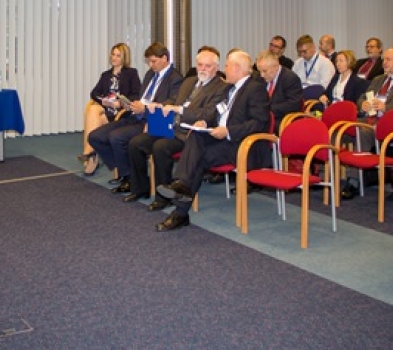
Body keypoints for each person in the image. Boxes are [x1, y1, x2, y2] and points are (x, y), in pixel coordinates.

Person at [155, 50, 270, 231]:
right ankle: (181, 188)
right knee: (196, 135)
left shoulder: (255, 89)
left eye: (227, 66)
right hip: (221, 140)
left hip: (240, 144)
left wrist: (228, 131)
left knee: (197, 158)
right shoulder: (228, 88)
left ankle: (180, 207)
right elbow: (217, 113)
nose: (224, 69)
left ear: (237, 68)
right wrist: (205, 122)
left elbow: (259, 122)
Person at [124, 48, 227, 210]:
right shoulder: (189, 81)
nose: (203, 69)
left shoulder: (220, 87)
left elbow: (208, 114)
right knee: (136, 143)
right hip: (171, 126)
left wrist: (179, 110)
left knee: (160, 147)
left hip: (190, 133)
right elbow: (174, 101)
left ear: (216, 68)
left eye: (207, 66)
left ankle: (164, 197)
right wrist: (159, 105)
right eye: (200, 65)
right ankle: (140, 188)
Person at [88, 42, 183, 192]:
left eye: (153, 61)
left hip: (150, 120)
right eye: (149, 62)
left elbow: (171, 103)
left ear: (164, 58)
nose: (150, 65)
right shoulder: (150, 74)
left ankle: (129, 178)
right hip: (134, 115)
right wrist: (130, 103)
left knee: (116, 137)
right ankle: (125, 170)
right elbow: (140, 96)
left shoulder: (175, 78)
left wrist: (144, 108)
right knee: (95, 137)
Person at [78, 43, 141, 175]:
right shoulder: (106, 75)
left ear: (124, 57)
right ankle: (90, 152)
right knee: (93, 110)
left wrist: (120, 103)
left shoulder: (131, 73)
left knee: (93, 113)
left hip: (121, 113)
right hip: (107, 111)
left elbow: (136, 95)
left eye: (118, 55)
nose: (114, 58)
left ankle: (90, 154)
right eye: (113, 54)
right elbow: (94, 93)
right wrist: (104, 101)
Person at [255, 50, 302, 133]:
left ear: (276, 67)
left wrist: (267, 109)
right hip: (262, 117)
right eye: (260, 71)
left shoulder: (290, 79)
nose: (262, 75)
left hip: (281, 119)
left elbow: (294, 105)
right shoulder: (259, 78)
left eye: (264, 71)